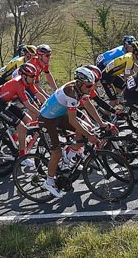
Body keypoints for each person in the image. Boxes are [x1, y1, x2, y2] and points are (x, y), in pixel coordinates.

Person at [36, 68, 103, 199]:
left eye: (93, 85)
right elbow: (73, 120)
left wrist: (100, 124)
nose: (91, 88)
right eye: (89, 86)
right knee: (56, 153)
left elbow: (89, 105)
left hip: (59, 115)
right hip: (47, 120)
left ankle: (70, 153)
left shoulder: (80, 88)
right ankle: (49, 182)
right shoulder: (71, 93)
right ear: (79, 83)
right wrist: (89, 135)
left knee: (83, 129)